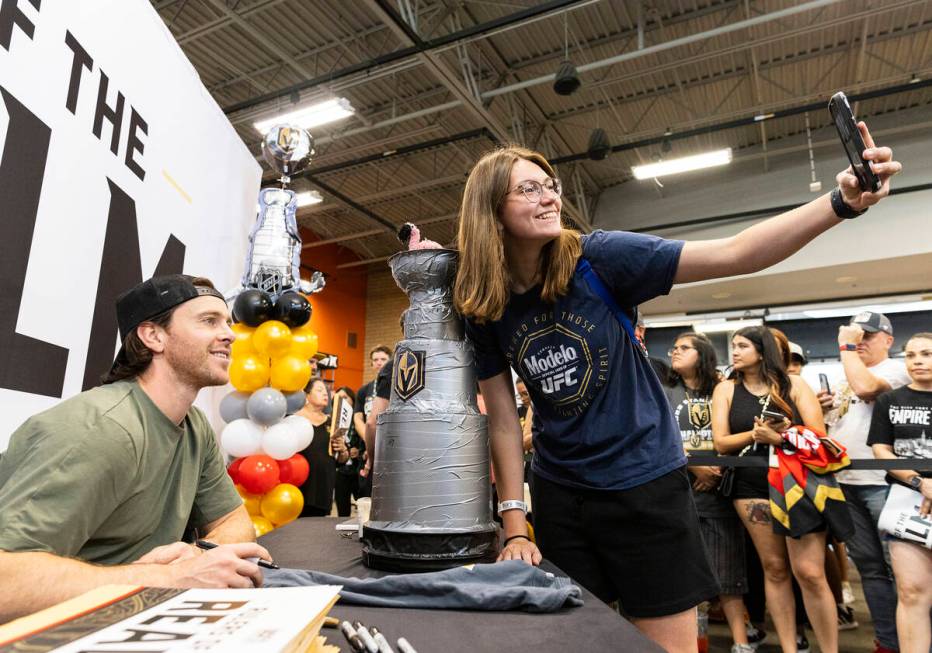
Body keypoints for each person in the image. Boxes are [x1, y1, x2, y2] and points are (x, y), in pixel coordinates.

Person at [453, 129, 898, 651]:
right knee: (576, 641)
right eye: (529, 189)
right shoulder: (488, 301)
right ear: (489, 209)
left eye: (549, 184)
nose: (550, 196)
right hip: (561, 495)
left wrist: (840, 202)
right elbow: (503, 418)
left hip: (644, 484)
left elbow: (737, 253)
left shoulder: (599, 259)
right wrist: (514, 525)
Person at [0, 275, 271, 621]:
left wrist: (200, 558)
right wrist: (167, 577)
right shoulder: (102, 430)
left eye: (227, 323)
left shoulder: (195, 426)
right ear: (153, 335)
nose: (230, 335)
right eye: (209, 321)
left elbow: (234, 520)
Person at [712, 326, 838, 653]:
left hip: (799, 481)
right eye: (733, 346)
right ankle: (788, 647)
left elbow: (818, 434)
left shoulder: (793, 384)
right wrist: (757, 435)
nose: (735, 352)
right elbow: (721, 442)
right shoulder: (726, 389)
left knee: (809, 572)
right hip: (750, 484)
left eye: (742, 346)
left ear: (762, 350)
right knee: (775, 568)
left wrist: (782, 437)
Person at [818, 311, 910, 653]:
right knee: (870, 569)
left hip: (883, 481)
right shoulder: (848, 375)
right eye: (858, 336)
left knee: (902, 571)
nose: (861, 342)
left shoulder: (895, 368)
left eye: (868, 336)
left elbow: (867, 389)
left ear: (888, 339)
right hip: (847, 481)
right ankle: (887, 642)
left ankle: (916, 641)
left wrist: (846, 345)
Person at [665, 333, 753, 653]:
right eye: (674, 347)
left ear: (702, 355)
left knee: (728, 570)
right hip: (678, 489)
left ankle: (741, 643)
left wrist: (716, 471)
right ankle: (692, 643)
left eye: (684, 347)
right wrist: (694, 467)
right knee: (683, 573)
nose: (675, 351)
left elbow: (734, 432)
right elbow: (662, 436)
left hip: (719, 488)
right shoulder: (666, 391)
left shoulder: (723, 389)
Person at [867, 332, 932, 653]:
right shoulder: (890, 400)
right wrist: (921, 482)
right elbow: (882, 449)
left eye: (926, 354)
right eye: (911, 355)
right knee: (911, 592)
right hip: (906, 501)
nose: (918, 361)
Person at [295, 377, 338, 517]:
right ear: (307, 394)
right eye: (319, 390)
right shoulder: (293, 419)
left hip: (323, 487)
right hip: (299, 487)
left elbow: (342, 459)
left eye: (326, 391)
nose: (325, 393)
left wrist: (342, 449)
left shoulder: (332, 422)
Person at [332, 386, 366, 517]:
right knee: (342, 510)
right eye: (339, 398)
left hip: (358, 470)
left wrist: (358, 449)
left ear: (353, 400)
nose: (342, 400)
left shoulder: (359, 418)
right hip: (340, 471)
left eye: (345, 397)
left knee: (363, 508)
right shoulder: (333, 420)